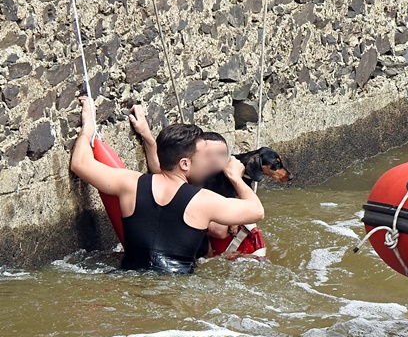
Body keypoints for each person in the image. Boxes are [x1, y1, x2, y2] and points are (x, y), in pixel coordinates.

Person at [70, 97, 264, 273]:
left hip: (129, 279)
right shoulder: (204, 200)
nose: (209, 162)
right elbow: (256, 211)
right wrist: (236, 178)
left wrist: (88, 129)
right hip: (176, 289)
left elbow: (80, 164)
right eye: (204, 156)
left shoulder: (130, 183)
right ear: (185, 164)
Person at [129, 105, 237, 242]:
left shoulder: (225, 180)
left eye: (221, 155)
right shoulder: (187, 178)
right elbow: (159, 170)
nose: (214, 161)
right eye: (207, 155)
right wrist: (147, 136)